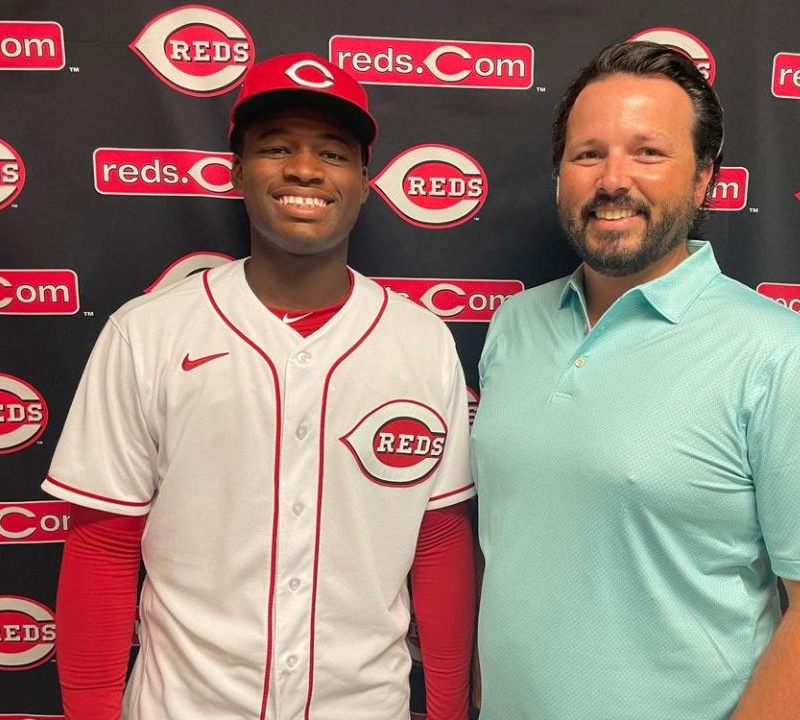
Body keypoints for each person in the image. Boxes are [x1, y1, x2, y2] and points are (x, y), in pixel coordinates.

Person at [470, 40, 800, 720]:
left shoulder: (780, 357)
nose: (613, 179)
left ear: (703, 179)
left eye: (648, 152)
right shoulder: (514, 326)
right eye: (588, 154)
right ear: (560, 176)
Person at [44, 52, 476, 720]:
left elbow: (439, 542)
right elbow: (102, 547)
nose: (304, 169)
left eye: (332, 152)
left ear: (364, 183)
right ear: (237, 173)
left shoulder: (421, 342)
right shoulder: (148, 332)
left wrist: (447, 710)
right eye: (276, 147)